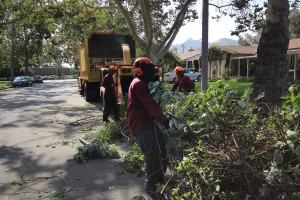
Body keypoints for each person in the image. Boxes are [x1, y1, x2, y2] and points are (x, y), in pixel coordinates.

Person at [127, 57, 170, 198]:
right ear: (139, 69)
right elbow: (150, 104)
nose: (151, 72)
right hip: (139, 123)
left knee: (162, 144)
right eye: (148, 69)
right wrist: (164, 120)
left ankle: (161, 178)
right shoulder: (138, 83)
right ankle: (150, 186)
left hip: (149, 121)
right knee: (152, 151)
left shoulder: (145, 82)